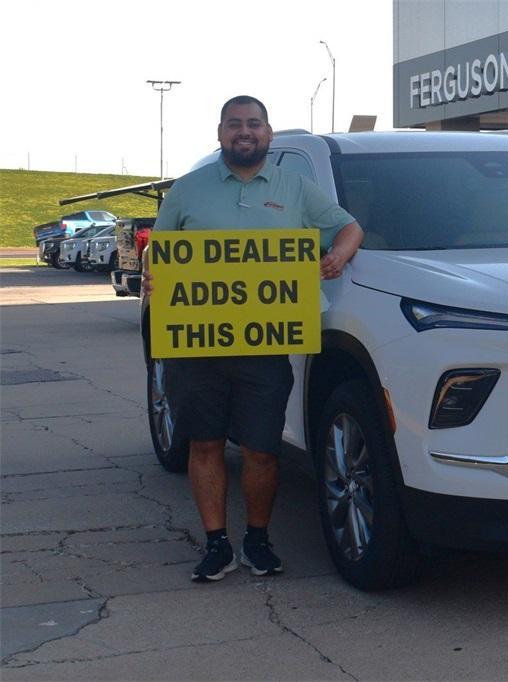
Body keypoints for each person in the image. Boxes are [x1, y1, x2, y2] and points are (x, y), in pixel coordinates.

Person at [143, 95, 363, 583]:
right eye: (235, 124)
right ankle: (217, 544)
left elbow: (349, 228)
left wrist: (339, 257)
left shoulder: (296, 187)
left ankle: (258, 541)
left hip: (264, 346)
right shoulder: (188, 189)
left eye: (254, 124)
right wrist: (154, 278)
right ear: (220, 131)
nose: (245, 132)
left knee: (262, 449)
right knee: (205, 443)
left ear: (268, 132)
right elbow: (159, 253)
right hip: (198, 347)